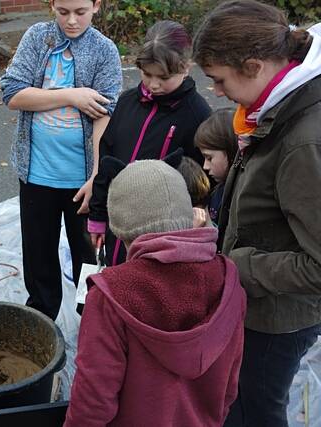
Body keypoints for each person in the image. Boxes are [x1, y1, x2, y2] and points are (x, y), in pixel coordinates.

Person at [193, 2, 321, 425]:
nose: (214, 91)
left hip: (276, 320)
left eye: (218, 79)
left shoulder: (304, 143)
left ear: (253, 66)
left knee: (254, 410)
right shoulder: (274, 109)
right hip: (258, 302)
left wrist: (240, 265)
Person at [65, 160, 246, 427]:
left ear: (120, 228)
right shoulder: (228, 280)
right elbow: (229, 388)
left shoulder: (110, 294)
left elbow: (92, 403)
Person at [0, 0, 123, 320]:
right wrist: (72, 95)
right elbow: (12, 93)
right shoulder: (37, 38)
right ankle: (41, 318)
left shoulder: (104, 50)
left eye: (80, 12)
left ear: (96, 6)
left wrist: (96, 176)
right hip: (37, 174)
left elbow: (105, 117)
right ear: (52, 4)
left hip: (81, 180)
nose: (71, 21)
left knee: (88, 255)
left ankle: (92, 321)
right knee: (38, 255)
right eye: (62, 12)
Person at [88, 20, 211, 267]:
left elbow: (202, 180)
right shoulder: (127, 102)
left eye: (164, 77)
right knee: (114, 275)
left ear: (186, 67)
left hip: (161, 232)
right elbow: (107, 160)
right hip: (118, 221)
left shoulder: (197, 115)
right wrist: (98, 216)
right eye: (147, 75)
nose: (154, 85)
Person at [193, 108, 237, 226]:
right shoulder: (218, 191)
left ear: (231, 151)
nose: (205, 166)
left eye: (209, 158)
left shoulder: (239, 198)